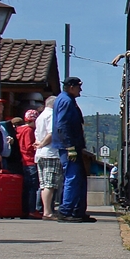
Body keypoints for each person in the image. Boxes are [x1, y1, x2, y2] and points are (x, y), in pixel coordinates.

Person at [53, 77, 94, 223]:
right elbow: (62, 125)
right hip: (68, 147)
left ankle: (77, 211)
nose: (80, 90)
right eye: (78, 87)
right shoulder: (66, 101)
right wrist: (70, 147)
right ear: (71, 87)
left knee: (80, 178)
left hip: (72, 146)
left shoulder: (66, 100)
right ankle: (66, 211)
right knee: (72, 178)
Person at [33, 96, 61, 220]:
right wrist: (42, 143)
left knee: (44, 183)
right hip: (50, 152)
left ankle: (46, 210)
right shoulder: (51, 115)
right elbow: (51, 133)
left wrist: (39, 144)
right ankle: (47, 212)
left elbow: (37, 134)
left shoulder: (40, 117)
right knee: (50, 184)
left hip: (40, 154)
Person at [17, 111, 39, 216]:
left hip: (23, 161)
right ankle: (32, 210)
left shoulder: (19, 129)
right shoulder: (29, 130)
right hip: (30, 160)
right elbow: (29, 146)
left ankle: (25, 210)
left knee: (26, 187)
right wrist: (38, 145)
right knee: (32, 187)